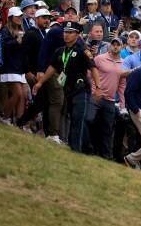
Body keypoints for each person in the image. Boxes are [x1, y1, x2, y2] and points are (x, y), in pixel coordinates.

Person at [32, 21, 102, 153]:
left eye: (70, 32)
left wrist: (98, 87)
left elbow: (93, 68)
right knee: (72, 118)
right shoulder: (60, 51)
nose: (66, 35)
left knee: (78, 118)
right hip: (68, 91)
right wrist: (40, 83)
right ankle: (81, 148)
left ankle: (76, 149)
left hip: (81, 90)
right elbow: (52, 68)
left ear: (77, 35)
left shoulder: (83, 51)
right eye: (65, 32)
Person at [91, 37, 127, 159]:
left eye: (118, 45)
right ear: (110, 46)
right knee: (92, 124)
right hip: (96, 97)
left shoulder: (123, 64)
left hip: (110, 101)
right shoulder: (100, 58)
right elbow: (90, 75)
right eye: (113, 44)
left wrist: (122, 104)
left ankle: (106, 156)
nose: (115, 46)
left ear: (122, 47)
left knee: (107, 129)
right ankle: (90, 150)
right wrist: (94, 90)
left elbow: (122, 86)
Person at [0, 7, 28, 125]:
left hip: (19, 67)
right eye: (18, 16)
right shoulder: (4, 30)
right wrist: (17, 41)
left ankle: (19, 123)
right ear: (11, 18)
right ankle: (5, 117)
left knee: (23, 95)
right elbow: (3, 47)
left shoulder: (22, 30)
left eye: (21, 16)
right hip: (9, 67)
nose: (20, 18)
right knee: (17, 93)